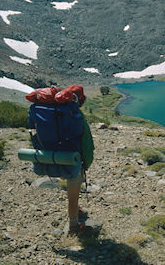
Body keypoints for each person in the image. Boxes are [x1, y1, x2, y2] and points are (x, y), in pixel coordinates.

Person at [65, 86, 95, 235]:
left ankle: (77, 210)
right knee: (73, 193)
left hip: (54, 155)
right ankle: (73, 226)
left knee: (72, 190)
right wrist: (86, 164)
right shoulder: (76, 115)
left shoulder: (58, 112)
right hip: (72, 160)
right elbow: (87, 145)